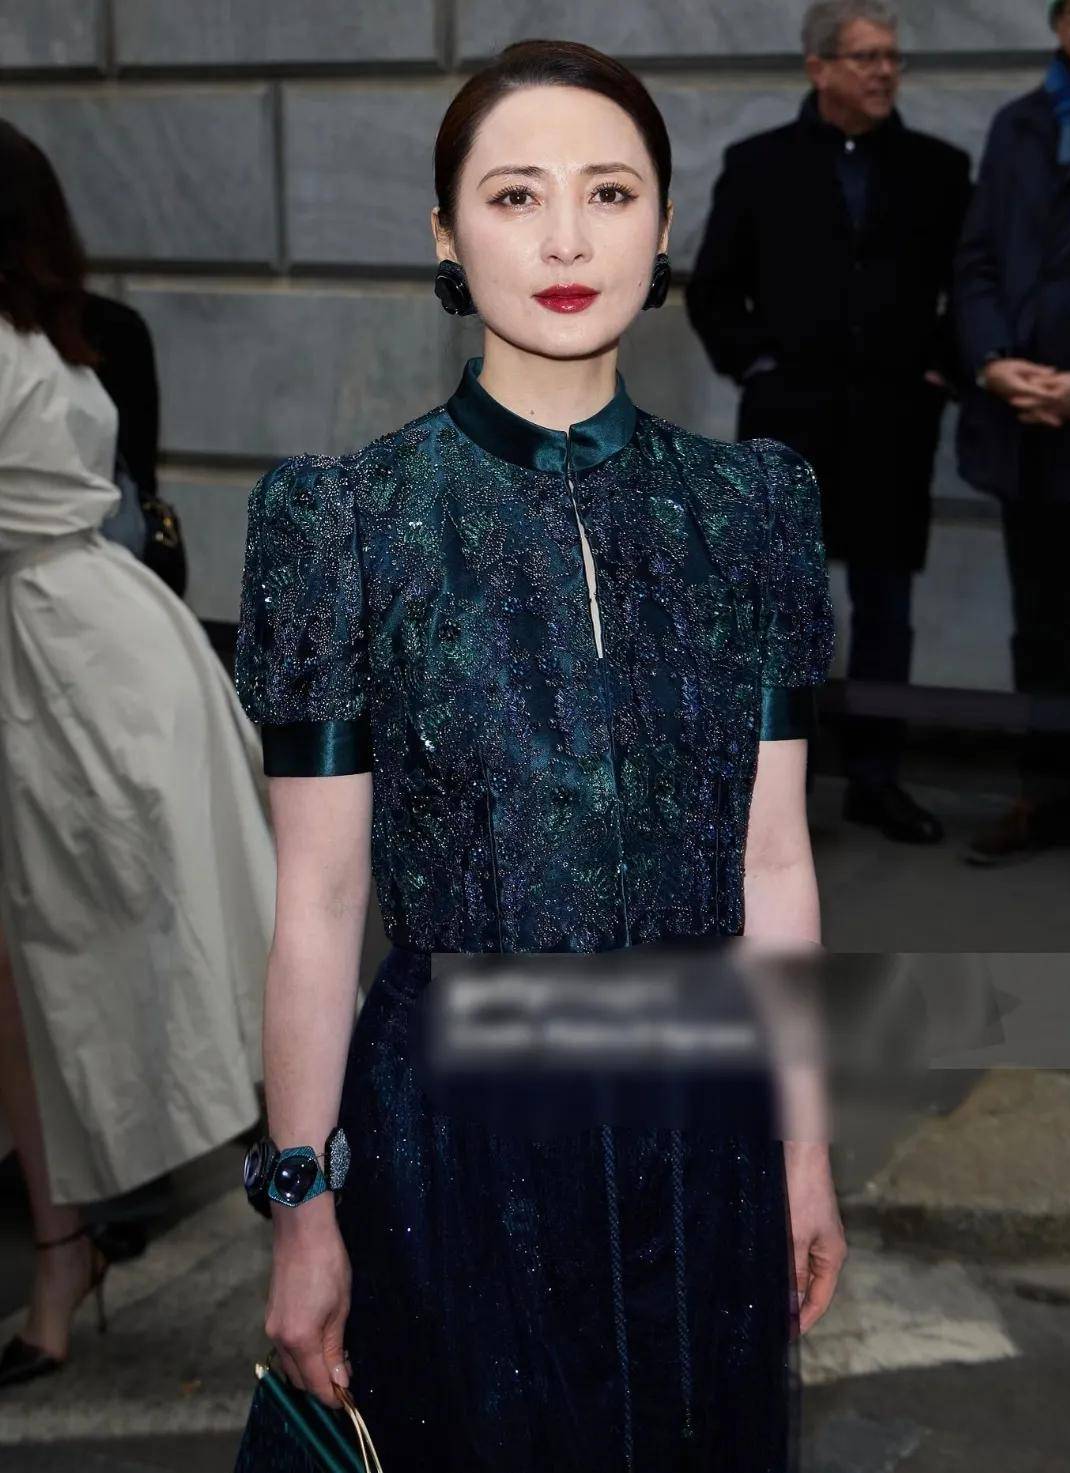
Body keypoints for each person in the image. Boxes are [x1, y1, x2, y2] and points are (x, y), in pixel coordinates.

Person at [232, 39, 845, 1472]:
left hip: (703, 1120)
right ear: (447, 235)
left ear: (665, 224)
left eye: (609, 192)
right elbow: (319, 900)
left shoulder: (750, 511)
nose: (568, 239)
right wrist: (302, 1205)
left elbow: (774, 861)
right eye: (515, 196)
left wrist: (807, 1151)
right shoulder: (348, 523)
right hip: (455, 1130)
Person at [0, 119, 276, 1386]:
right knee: (60, 968)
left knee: (169, 949)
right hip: (98, 644)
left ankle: (318, 1219)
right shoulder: (69, 338)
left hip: (68, 668)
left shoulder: (53, 342)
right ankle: (67, 1255)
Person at [686, 0, 972, 845]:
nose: (883, 72)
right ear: (818, 67)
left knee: (886, 604)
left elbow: (973, 284)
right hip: (789, 424)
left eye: (891, 57)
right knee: (783, 608)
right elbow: (713, 290)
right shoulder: (759, 163)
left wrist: (941, 368)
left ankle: (878, 781)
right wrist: (759, 366)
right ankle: (783, 793)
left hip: (894, 421)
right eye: (864, 57)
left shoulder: (939, 169)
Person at [954, 0, 1070, 865]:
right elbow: (977, 263)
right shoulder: (1020, 125)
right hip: (1026, 429)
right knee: (1039, 625)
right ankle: (1044, 795)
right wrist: (994, 361)